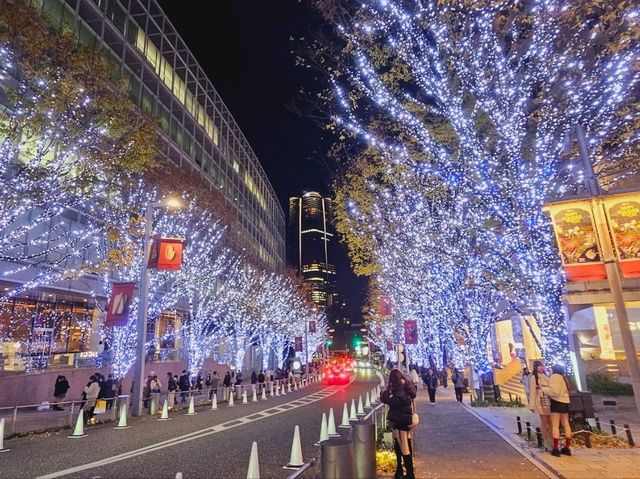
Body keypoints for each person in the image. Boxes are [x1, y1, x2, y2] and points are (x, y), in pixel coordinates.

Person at [380, 369, 417, 479]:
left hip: (400, 419)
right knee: (402, 443)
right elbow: (413, 394)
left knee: (403, 445)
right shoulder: (406, 386)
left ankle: (410, 473)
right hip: (406, 418)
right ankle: (401, 470)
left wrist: (384, 393)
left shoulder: (398, 390)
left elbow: (390, 401)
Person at [542, 364, 572, 457]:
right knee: (566, 425)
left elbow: (554, 392)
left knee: (555, 425)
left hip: (557, 402)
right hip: (565, 402)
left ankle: (556, 448)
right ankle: (567, 447)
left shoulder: (554, 377)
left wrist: (544, 389)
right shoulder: (564, 378)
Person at [528, 360, 552, 451]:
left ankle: (552, 439)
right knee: (544, 421)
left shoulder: (546, 376)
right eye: (539, 366)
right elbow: (532, 392)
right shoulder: (534, 378)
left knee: (551, 421)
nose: (541, 368)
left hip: (549, 401)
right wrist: (532, 405)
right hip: (540, 401)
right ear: (535, 367)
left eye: (542, 366)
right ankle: (546, 441)